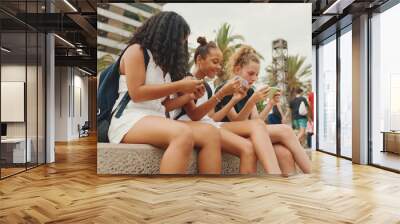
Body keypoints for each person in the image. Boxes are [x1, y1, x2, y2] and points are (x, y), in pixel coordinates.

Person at [107, 12, 221, 174]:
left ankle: (209, 194)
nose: (182, 44)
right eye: (180, 39)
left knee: (210, 133)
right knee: (182, 134)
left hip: (158, 118)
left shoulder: (165, 65)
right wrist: (179, 85)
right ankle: (166, 196)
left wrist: (190, 95)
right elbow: (137, 93)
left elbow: (165, 106)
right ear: (166, 35)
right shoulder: (136, 51)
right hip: (130, 118)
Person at [165, 37, 283, 174]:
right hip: (191, 125)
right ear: (199, 60)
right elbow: (194, 115)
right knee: (258, 130)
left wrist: (233, 99)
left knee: (249, 148)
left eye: (220, 63)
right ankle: (275, 176)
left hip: (208, 125)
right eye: (215, 62)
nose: (219, 67)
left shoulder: (207, 87)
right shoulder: (186, 80)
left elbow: (212, 118)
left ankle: (249, 190)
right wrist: (221, 94)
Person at [215, 45, 312, 174]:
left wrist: (270, 104)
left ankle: (290, 190)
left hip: (250, 134)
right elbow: (237, 124)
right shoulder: (225, 90)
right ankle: (312, 175)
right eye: (250, 73)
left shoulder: (249, 92)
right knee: (286, 130)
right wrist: (252, 101)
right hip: (231, 136)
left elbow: (257, 122)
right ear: (237, 69)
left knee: (284, 153)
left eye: (256, 75)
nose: (254, 78)